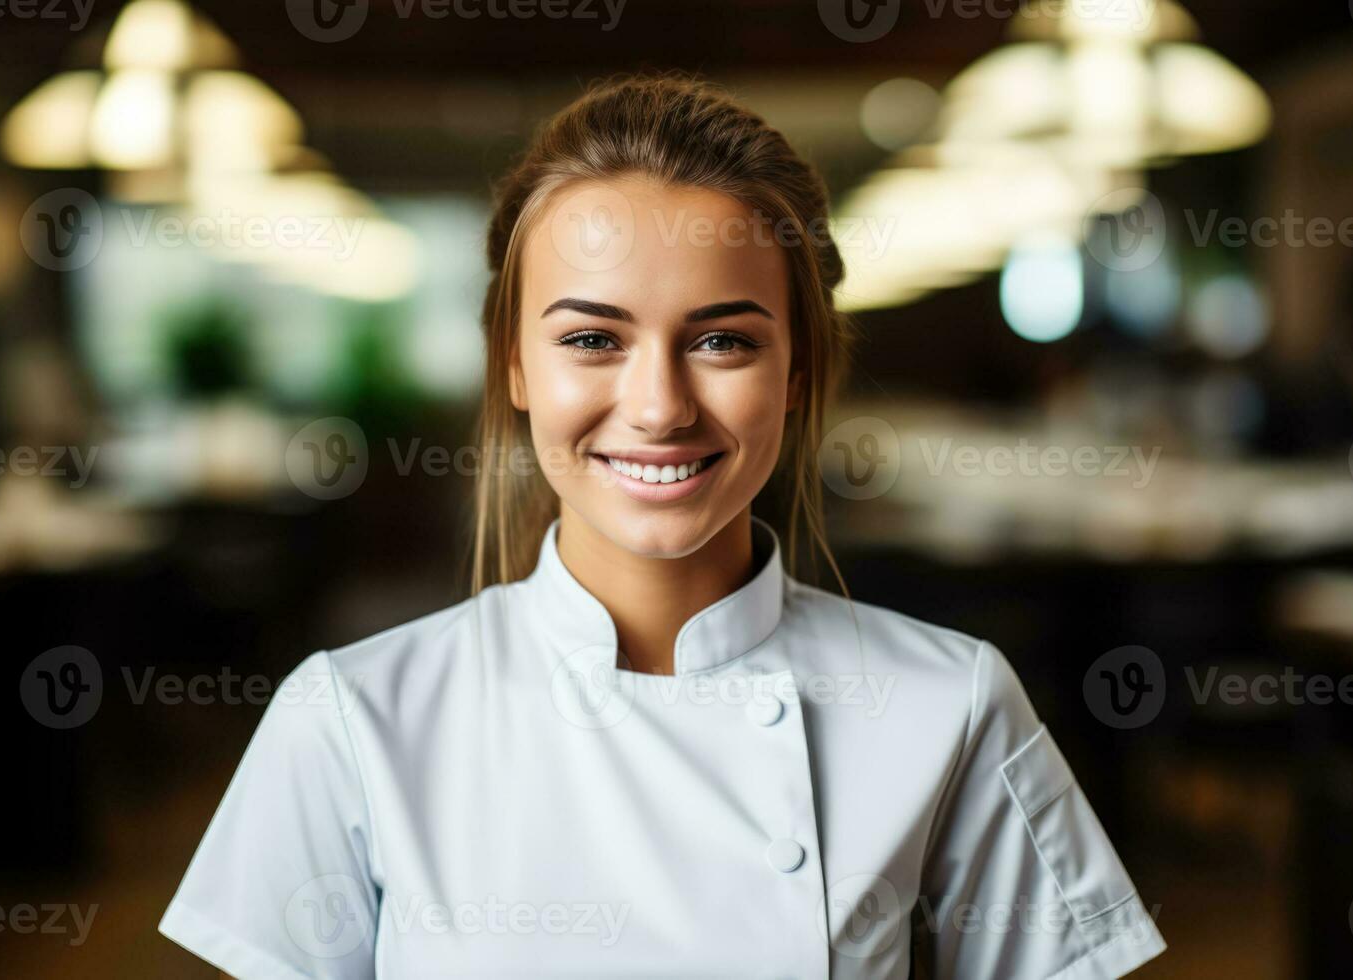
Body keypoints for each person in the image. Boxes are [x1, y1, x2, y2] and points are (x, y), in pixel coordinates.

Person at [158, 72, 1166, 978]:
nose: (658, 405)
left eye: (723, 338)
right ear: (515, 365)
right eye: (593, 337)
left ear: (798, 372)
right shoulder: (349, 719)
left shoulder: (950, 700)